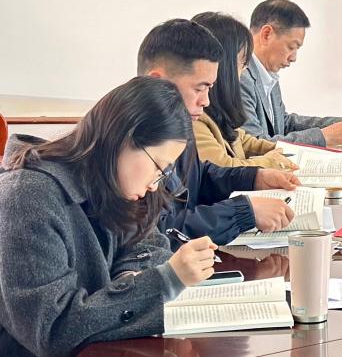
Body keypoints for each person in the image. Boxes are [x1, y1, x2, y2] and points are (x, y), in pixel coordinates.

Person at [0, 77, 217, 357]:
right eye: (158, 167)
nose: (155, 184)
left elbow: (148, 245)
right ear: (125, 139)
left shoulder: (110, 182)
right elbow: (51, 331)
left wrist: (128, 280)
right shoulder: (27, 196)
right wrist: (165, 280)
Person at [138, 19, 298, 244]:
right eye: (199, 88)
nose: (206, 101)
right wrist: (243, 212)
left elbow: (199, 177)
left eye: (210, 88)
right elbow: (159, 232)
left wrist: (254, 178)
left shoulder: (177, 125)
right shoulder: (133, 143)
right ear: (158, 82)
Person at [240, 0, 342, 146]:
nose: (294, 58)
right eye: (291, 47)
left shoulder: (268, 75)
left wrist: (338, 125)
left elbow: (284, 124)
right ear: (267, 34)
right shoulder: (241, 78)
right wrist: (323, 136)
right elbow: (254, 145)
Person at [191, 12, 297, 171]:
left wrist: (287, 151)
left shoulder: (217, 112)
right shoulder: (196, 118)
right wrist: (272, 161)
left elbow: (244, 141)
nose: (245, 71)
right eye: (242, 63)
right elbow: (224, 169)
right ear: (224, 68)